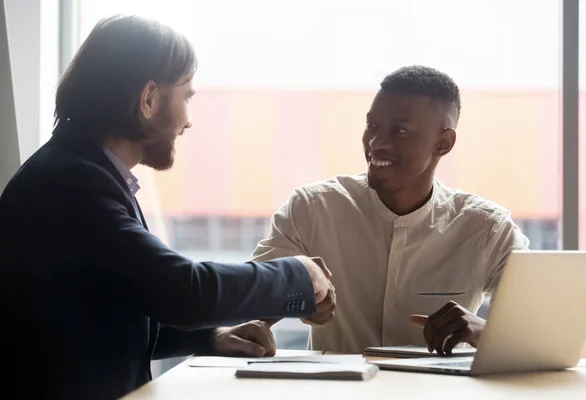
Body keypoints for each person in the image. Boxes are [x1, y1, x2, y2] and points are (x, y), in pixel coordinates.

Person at [0, 15, 335, 400]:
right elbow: (183, 291)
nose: (188, 121)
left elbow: (115, 308)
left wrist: (212, 337)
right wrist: (299, 274)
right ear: (148, 99)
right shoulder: (73, 183)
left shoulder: (77, 172)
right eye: (187, 96)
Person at [251, 65, 529, 355]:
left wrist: (483, 332)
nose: (376, 143)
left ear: (443, 143)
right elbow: (247, 305)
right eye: (372, 126)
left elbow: (538, 338)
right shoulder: (311, 209)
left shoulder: (488, 229)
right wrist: (288, 300)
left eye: (400, 130)